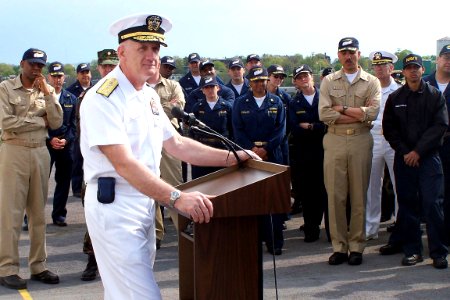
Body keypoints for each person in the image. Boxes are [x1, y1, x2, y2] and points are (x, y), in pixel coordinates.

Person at [80, 13, 258, 299]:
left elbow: (177, 144)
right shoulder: (104, 98)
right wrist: (177, 198)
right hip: (116, 208)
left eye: (156, 49)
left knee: (123, 293)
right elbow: (123, 163)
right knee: (141, 295)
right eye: (143, 48)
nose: (152, 56)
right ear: (121, 52)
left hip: (144, 204)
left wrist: (234, 157)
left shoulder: (147, 95)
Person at [0, 48, 63, 289]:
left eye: (40, 65)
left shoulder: (44, 90)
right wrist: (38, 121)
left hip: (39, 151)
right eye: (32, 64)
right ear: (22, 64)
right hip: (14, 150)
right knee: (11, 212)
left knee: (38, 213)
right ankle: (7, 268)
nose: (36, 69)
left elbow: (56, 122)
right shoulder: (6, 89)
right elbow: (5, 122)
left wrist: (48, 93)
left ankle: (39, 265)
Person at [382, 54, 449, 269]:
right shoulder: (396, 98)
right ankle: (412, 250)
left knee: (432, 205)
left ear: (422, 70)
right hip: (404, 160)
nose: (412, 71)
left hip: (429, 159)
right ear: (403, 71)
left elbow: (439, 127)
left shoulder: (434, 96)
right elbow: (390, 129)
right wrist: (405, 152)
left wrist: (418, 152)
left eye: (416, 67)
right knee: (409, 206)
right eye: (409, 68)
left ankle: (438, 251)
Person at [319, 37, 380, 265]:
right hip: (334, 141)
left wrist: (342, 108)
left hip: (360, 140)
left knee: (358, 195)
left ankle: (356, 246)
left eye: (351, 52)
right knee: (335, 195)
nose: (348, 56)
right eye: (343, 52)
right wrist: (357, 113)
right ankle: (339, 247)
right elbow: (324, 114)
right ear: (338, 55)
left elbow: (372, 113)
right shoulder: (328, 81)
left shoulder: (371, 81)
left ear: (359, 53)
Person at [233, 66, 286, 255]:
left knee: (273, 199)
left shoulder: (276, 101)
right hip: (248, 156)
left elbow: (280, 130)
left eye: (263, 80)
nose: (259, 84)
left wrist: (265, 149)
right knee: (252, 200)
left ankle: (275, 241)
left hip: (272, 155)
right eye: (255, 81)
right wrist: (252, 150)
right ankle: (253, 241)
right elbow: (237, 130)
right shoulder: (240, 103)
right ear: (250, 82)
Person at [79, 48, 119, 282]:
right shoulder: (91, 96)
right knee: (95, 220)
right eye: (104, 66)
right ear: (99, 68)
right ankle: (92, 262)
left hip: (125, 171)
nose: (108, 70)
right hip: (96, 168)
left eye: (112, 65)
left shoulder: (130, 93)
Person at [147, 55, 186, 249]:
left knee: (175, 185)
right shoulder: (140, 85)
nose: (169, 69)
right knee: (149, 185)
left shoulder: (173, 85)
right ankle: (156, 233)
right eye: (166, 66)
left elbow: (178, 108)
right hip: (146, 140)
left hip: (169, 140)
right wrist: (164, 106)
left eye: (172, 67)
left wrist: (152, 107)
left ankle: (182, 229)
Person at [289, 64, 328, 242]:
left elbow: (329, 124)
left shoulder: (326, 98)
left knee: (327, 192)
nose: (304, 79)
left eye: (306, 76)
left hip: (326, 150)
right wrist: (317, 127)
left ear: (313, 77)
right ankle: (311, 228)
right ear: (295, 82)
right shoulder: (293, 103)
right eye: (299, 77)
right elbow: (294, 128)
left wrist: (311, 126)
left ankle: (332, 232)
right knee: (308, 194)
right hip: (304, 154)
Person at [365, 51, 401, 241]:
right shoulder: (368, 89)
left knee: (399, 184)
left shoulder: (399, 90)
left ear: (391, 68)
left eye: (383, 65)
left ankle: (401, 225)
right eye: (376, 65)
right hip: (372, 138)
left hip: (393, 141)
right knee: (371, 185)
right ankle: (370, 228)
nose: (378, 68)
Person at [424, 44, 450, 245]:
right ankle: (436, 238)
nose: (448, 60)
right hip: (430, 147)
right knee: (432, 195)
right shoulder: (424, 84)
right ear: (437, 60)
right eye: (445, 57)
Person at [46, 62, 77, 227]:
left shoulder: (71, 98)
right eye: (54, 76)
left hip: (65, 144)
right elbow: (40, 122)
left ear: (64, 78)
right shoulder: (42, 97)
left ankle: (59, 214)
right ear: (48, 77)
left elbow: (74, 125)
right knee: (39, 182)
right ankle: (29, 217)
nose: (57, 79)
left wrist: (66, 139)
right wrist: (50, 139)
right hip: (46, 143)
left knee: (63, 181)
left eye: (60, 76)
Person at [190, 75, 233, 179]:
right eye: (206, 87)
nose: (210, 90)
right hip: (203, 149)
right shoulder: (197, 107)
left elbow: (232, 129)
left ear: (218, 88)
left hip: (222, 149)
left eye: (212, 87)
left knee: (224, 182)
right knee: (202, 181)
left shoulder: (227, 106)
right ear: (202, 90)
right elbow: (192, 131)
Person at [68, 63, 93, 198]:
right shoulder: (71, 90)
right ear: (77, 75)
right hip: (78, 130)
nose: (85, 75)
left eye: (87, 72)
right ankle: (77, 188)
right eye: (82, 72)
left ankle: (89, 185)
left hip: (92, 129)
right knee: (77, 160)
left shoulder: (96, 88)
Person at [266, 64, 291, 165]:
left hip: (280, 143)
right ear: (268, 76)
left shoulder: (286, 97)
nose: (279, 79)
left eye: (281, 77)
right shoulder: (258, 94)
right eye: (276, 76)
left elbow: (289, 121)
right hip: (262, 142)